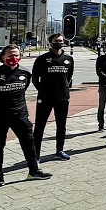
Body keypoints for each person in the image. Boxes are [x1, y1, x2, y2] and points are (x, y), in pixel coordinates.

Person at [0, 45, 51, 187]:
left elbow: (23, 89)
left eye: (16, 55)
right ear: (2, 58)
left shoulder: (25, 73)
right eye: (10, 55)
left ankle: (33, 171)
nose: (13, 58)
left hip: (20, 114)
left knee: (29, 142)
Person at [31, 33, 75, 161]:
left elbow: (69, 76)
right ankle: (35, 155)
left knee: (61, 125)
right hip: (45, 97)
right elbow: (34, 78)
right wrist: (43, 90)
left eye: (61, 40)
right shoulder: (42, 59)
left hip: (62, 98)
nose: (59, 42)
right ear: (51, 42)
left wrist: (64, 89)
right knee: (40, 126)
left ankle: (59, 151)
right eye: (56, 41)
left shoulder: (68, 59)